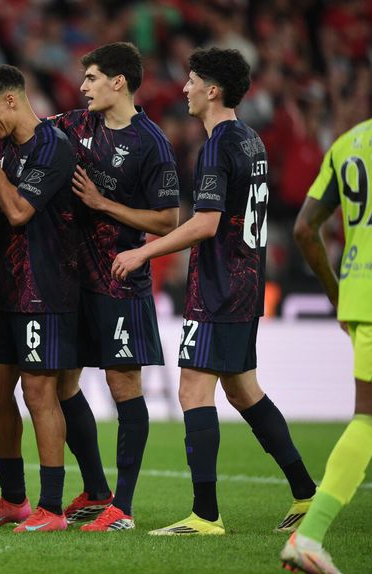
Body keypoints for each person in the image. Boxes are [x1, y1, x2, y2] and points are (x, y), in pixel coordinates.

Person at [112, 47, 317, 536]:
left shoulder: (218, 146)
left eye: (191, 80)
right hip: (246, 281)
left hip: (220, 286)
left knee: (192, 389)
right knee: (243, 390)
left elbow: (205, 224)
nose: (184, 88)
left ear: (213, 90)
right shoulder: (250, 139)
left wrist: (143, 253)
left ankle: (205, 515)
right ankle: (307, 492)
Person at [49, 42, 180, 532]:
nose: (83, 86)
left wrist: (103, 204)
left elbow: (167, 220)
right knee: (62, 384)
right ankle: (96, 490)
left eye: (92, 78)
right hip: (71, 281)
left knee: (123, 385)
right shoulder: (75, 124)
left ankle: (122, 508)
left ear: (118, 82)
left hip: (120, 281)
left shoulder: (151, 143)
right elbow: (26, 131)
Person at [0, 65, 78, 533]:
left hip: (44, 290)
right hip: (4, 291)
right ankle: (14, 498)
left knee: (38, 393)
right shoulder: (8, 143)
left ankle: (51, 508)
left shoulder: (52, 146)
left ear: (12, 100)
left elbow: (17, 213)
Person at [281, 117, 372, 573]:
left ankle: (310, 536)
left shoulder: (348, 143)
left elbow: (303, 229)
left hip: (359, 293)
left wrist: (339, 295)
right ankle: (310, 535)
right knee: (368, 420)